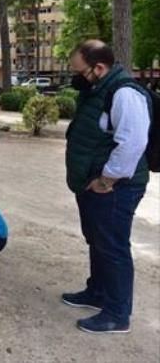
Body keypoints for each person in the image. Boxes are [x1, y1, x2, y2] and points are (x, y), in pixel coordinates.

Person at [63, 40, 151, 334]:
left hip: (115, 188)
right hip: (92, 184)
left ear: (99, 68)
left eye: (80, 71)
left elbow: (133, 143)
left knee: (113, 247)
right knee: (98, 240)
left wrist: (106, 180)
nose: (76, 76)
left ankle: (117, 314)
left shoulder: (124, 93)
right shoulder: (96, 89)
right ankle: (97, 292)